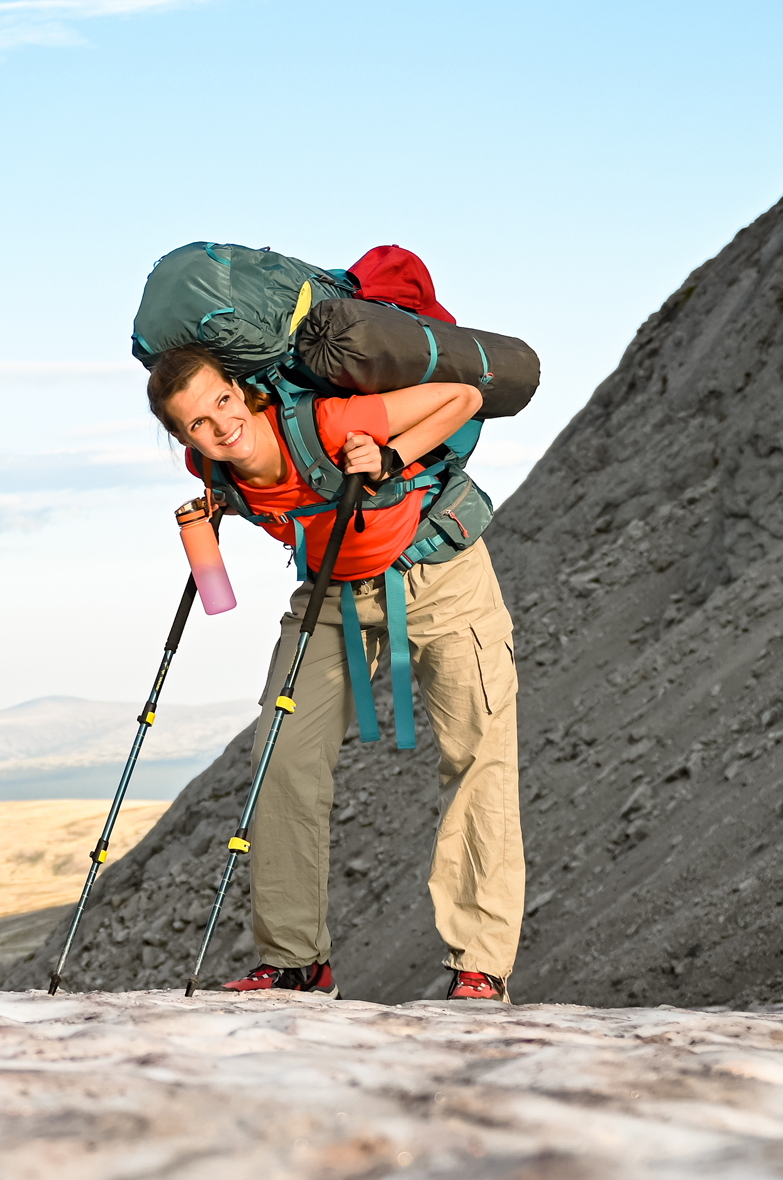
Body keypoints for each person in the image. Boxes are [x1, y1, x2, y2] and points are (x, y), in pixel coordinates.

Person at [147, 344, 522, 1002]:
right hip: (332, 591)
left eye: (222, 403)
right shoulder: (213, 469)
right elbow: (287, 496)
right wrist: (222, 511)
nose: (218, 426)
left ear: (244, 392)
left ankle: (479, 968)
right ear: (180, 437)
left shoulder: (324, 422)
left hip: (439, 576)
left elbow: (463, 397)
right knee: (281, 756)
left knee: (476, 755)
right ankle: (297, 964)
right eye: (196, 424)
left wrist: (391, 456)